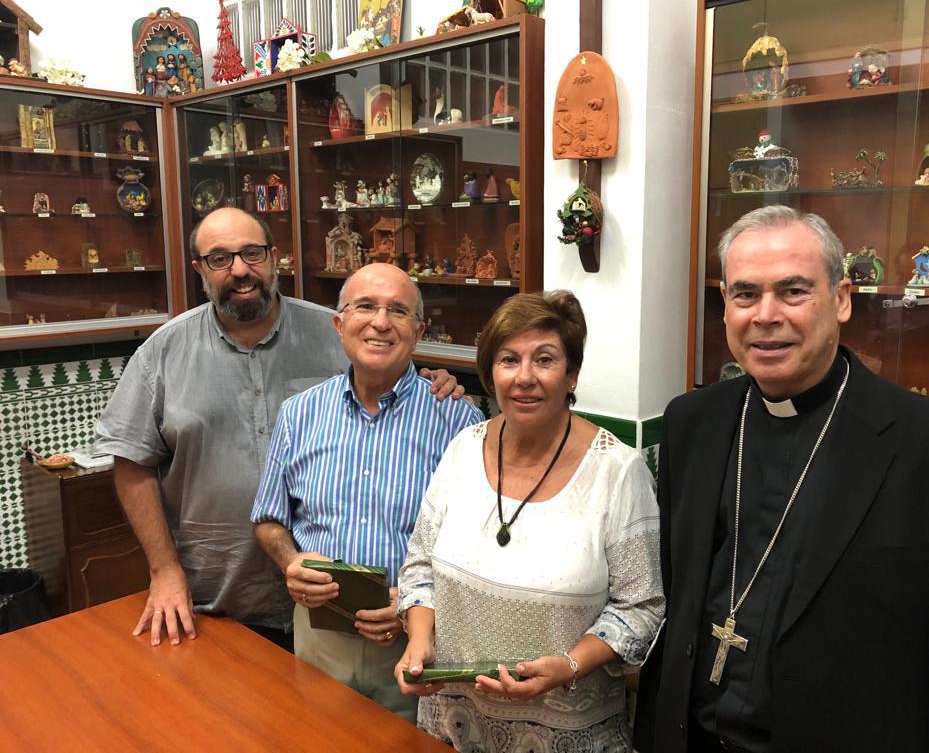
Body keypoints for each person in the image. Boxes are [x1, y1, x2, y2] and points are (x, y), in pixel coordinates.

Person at [634, 205, 929, 752]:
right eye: (745, 294)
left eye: (793, 291)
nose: (765, 315)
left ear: (841, 299)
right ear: (725, 306)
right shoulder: (692, 423)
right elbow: (681, 610)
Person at [94, 207, 459, 650]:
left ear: (275, 256)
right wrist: (164, 570)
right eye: (220, 258)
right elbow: (132, 461)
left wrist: (438, 381)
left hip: (339, 611)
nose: (241, 270)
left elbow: (395, 377)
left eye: (253, 253)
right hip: (217, 599)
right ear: (199, 270)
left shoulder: (336, 333)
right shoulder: (163, 352)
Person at [395, 291, 664, 751]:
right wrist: (419, 640)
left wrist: (572, 664)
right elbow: (419, 568)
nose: (524, 378)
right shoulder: (462, 448)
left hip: (568, 734)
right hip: (453, 724)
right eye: (508, 359)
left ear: (572, 374)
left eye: (544, 359)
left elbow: (640, 607)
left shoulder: (618, 470)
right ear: (490, 371)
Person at [250, 263, 482, 720]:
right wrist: (290, 561)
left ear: (418, 331)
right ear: (339, 324)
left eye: (398, 310)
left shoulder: (460, 422)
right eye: (365, 307)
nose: (380, 322)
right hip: (321, 636)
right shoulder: (300, 414)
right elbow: (268, 518)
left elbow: (478, 548)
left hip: (415, 641)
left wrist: (413, 605)